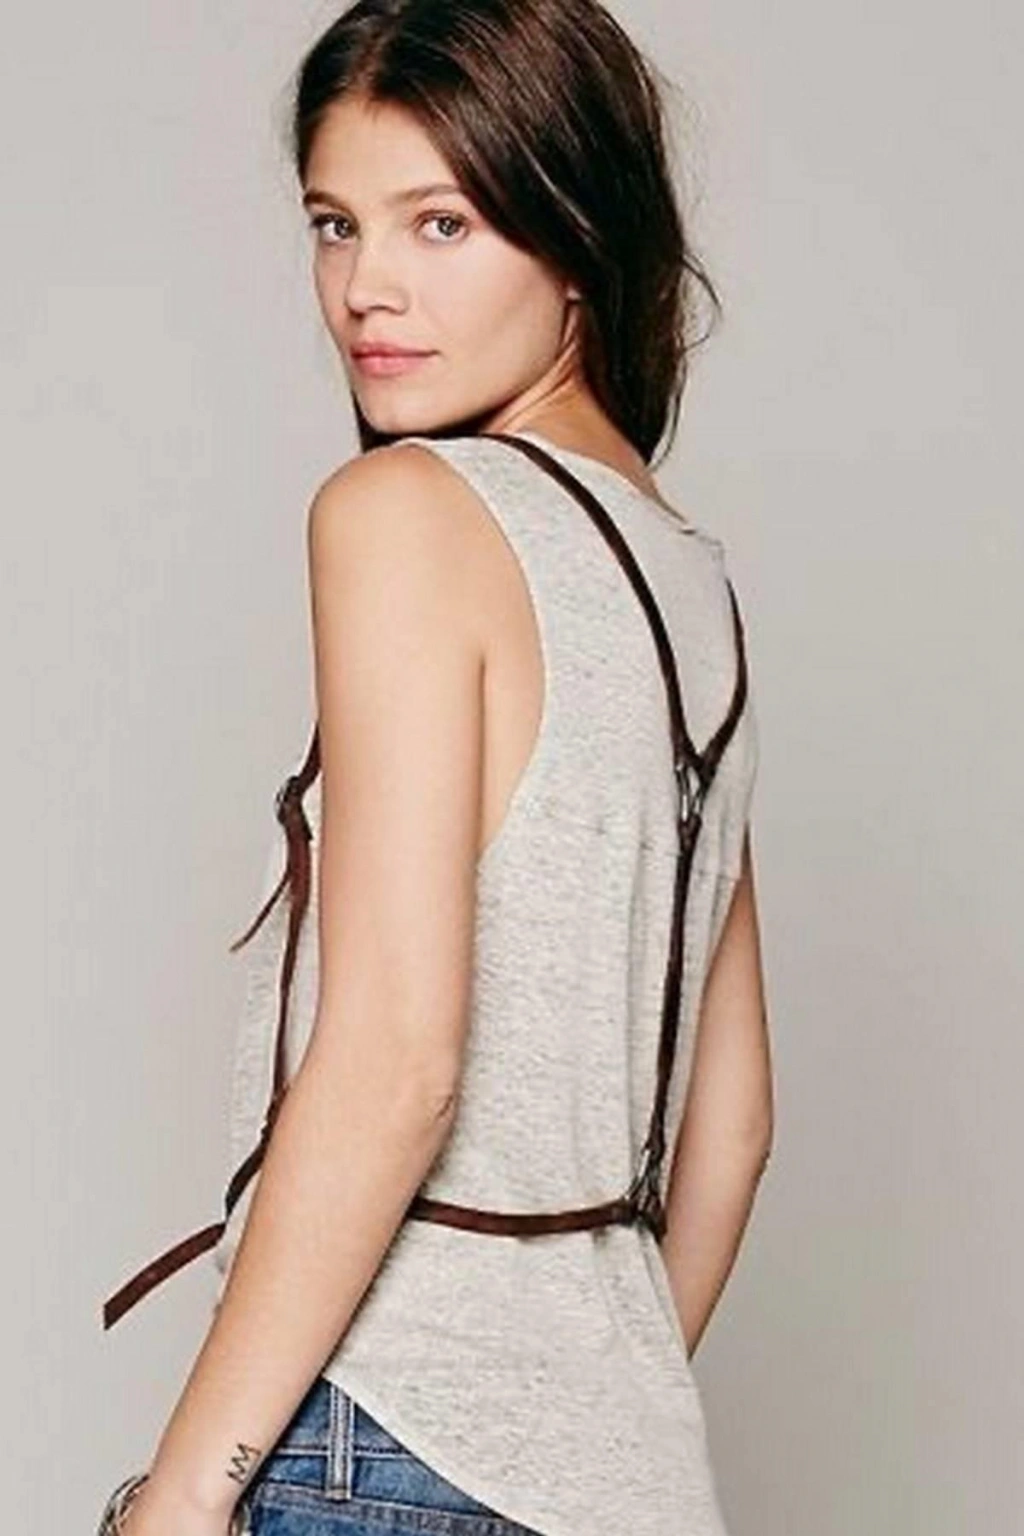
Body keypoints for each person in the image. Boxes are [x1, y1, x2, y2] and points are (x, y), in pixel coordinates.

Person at [116, 1, 773, 1533]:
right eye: (335, 224)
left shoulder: (406, 511)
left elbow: (399, 1062)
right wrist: (573, 1429)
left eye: (443, 222)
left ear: (576, 235)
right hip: (627, 1479)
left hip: (380, 1439)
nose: (368, 288)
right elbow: (733, 1122)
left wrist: (188, 1495)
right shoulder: (689, 579)